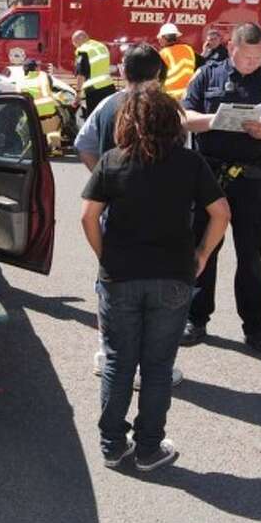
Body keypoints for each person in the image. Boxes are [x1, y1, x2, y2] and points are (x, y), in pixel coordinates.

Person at [82, 84, 230, 472]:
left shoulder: (113, 161)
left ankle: (112, 445)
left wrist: (104, 254)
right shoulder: (189, 164)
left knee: (118, 361)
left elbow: (88, 216)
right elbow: (221, 213)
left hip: (120, 277)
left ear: (126, 122)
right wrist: (202, 254)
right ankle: (149, 447)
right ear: (172, 123)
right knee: (157, 366)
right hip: (173, 276)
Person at [181, 23, 261, 354]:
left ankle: (256, 327)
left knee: (251, 257)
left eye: (258, 56)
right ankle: (196, 318)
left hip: (252, 183)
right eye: (246, 56)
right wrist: (213, 120)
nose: (252, 62)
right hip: (209, 180)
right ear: (231, 47)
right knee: (204, 250)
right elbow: (183, 118)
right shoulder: (207, 76)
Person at [77, 44, 183, 388]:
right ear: (158, 74)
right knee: (156, 288)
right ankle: (151, 365)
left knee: (110, 282)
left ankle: (108, 354)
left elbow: (84, 144)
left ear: (123, 71)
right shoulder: (167, 110)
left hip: (116, 208)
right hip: (162, 213)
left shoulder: (107, 105)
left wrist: (103, 180)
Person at [18, 59, 63, 157]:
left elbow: (20, 96)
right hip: (47, 108)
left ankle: (33, 149)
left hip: (31, 110)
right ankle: (55, 148)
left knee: (31, 127)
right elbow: (48, 89)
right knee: (54, 126)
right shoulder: (42, 75)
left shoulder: (20, 81)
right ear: (36, 68)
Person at [73, 29, 116, 117]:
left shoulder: (83, 50)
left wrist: (78, 94)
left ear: (79, 40)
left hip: (95, 91)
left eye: (75, 44)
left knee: (94, 120)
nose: (76, 47)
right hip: (109, 87)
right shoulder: (101, 46)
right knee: (108, 118)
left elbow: (81, 74)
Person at [156, 23, 198, 102]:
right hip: (189, 93)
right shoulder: (188, 49)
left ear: (165, 38)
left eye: (160, 38)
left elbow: (159, 77)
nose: (159, 40)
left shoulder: (164, 53)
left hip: (171, 96)